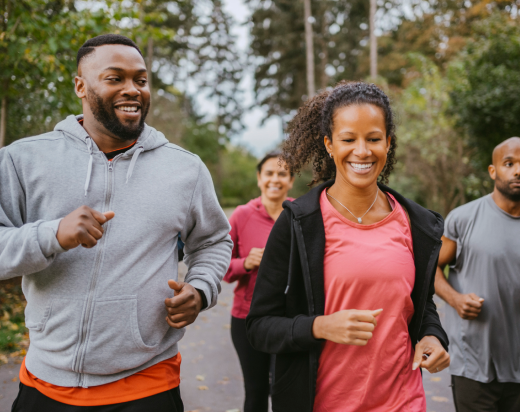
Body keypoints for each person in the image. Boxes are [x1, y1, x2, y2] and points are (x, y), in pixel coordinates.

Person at [0, 34, 232, 411]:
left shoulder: (185, 169)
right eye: (115, 79)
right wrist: (52, 235)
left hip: (147, 384)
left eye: (140, 80)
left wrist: (201, 289)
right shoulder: (22, 160)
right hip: (44, 385)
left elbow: (214, 241)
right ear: (81, 86)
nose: (133, 90)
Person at [246, 81, 450, 412]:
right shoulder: (299, 223)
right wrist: (320, 326)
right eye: (348, 139)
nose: (362, 151)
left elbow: (420, 304)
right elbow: (259, 327)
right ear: (329, 144)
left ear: (388, 142)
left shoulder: (417, 224)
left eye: (373, 139)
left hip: (403, 401)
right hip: (325, 403)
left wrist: (433, 336)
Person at [435, 137, 520, 412]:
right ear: (493, 171)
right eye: (509, 164)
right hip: (473, 365)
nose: (519, 171)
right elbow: (431, 270)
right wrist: (455, 299)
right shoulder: (462, 219)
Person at [224, 152, 294, 412]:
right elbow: (221, 266)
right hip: (247, 319)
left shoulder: (300, 214)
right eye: (269, 173)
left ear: (291, 180)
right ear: (259, 178)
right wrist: (246, 263)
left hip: (290, 319)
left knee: (284, 390)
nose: (275, 179)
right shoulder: (241, 216)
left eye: (282, 174)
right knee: (256, 392)